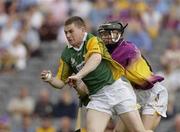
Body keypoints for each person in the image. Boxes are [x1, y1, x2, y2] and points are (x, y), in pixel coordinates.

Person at [41, 16, 152, 132]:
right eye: (65, 32)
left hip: (117, 89)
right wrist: (49, 79)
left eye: (71, 31)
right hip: (98, 98)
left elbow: (96, 58)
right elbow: (60, 82)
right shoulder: (66, 54)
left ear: (82, 30)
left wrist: (79, 76)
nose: (68, 35)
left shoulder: (93, 40)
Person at [97, 21, 168, 131]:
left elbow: (104, 70)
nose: (104, 37)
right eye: (103, 34)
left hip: (152, 94)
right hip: (134, 95)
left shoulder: (126, 49)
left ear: (117, 34)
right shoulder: (109, 52)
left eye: (107, 34)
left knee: (143, 130)